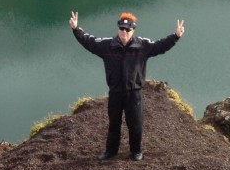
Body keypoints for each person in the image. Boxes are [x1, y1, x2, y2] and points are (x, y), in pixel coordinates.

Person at [69, 10, 185, 161]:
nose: (124, 32)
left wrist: (175, 36)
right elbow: (89, 41)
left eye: (127, 29)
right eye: (121, 29)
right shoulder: (107, 45)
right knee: (114, 124)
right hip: (115, 92)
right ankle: (111, 151)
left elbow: (160, 46)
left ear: (133, 30)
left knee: (135, 124)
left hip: (134, 93)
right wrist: (76, 29)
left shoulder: (142, 45)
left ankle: (136, 151)